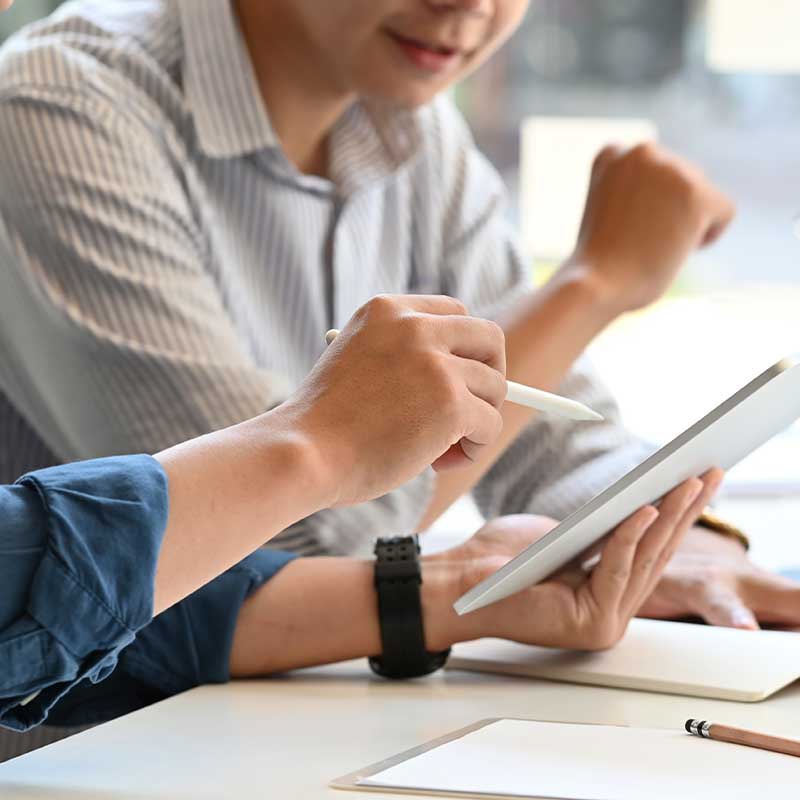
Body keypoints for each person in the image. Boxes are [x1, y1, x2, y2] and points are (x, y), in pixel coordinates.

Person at [0, 0, 790, 725]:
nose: (471, 8)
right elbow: (282, 537)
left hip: (298, 726)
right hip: (110, 756)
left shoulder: (408, 121)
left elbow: (554, 431)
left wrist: (685, 542)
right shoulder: (60, 105)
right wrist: (591, 287)